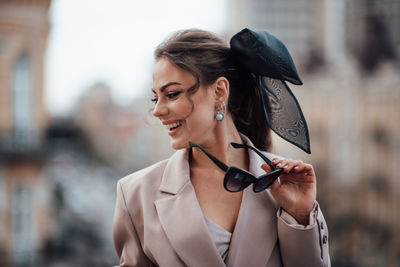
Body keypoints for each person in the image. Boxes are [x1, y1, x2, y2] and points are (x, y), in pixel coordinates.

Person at [112, 28, 331, 267]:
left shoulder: (285, 185)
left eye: (172, 94)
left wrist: (299, 216)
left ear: (219, 91)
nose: (157, 110)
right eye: (156, 98)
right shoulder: (135, 194)